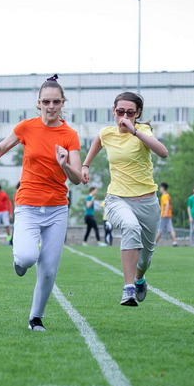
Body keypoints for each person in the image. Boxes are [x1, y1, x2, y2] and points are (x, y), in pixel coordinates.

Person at [0, 74, 82, 331]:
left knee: (49, 270)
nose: (51, 106)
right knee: (28, 258)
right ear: (38, 103)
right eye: (46, 102)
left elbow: (75, 179)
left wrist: (64, 165)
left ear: (63, 103)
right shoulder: (26, 127)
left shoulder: (70, 135)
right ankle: (19, 259)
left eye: (56, 102)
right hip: (28, 204)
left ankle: (35, 318)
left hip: (57, 208)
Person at [82, 91, 169, 306]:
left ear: (138, 113)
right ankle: (128, 288)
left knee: (146, 257)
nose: (124, 116)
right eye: (120, 111)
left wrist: (135, 132)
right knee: (130, 227)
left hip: (147, 202)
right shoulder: (106, 133)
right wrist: (85, 166)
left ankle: (139, 279)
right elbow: (96, 144)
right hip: (117, 199)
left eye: (130, 113)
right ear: (113, 111)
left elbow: (163, 152)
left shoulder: (143, 131)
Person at [156, 182, 178, 246]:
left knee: (160, 229)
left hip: (164, 215)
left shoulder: (164, 196)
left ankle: (154, 243)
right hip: (169, 214)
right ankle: (174, 242)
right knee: (170, 229)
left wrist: (165, 212)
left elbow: (167, 204)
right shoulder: (168, 195)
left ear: (163, 188)